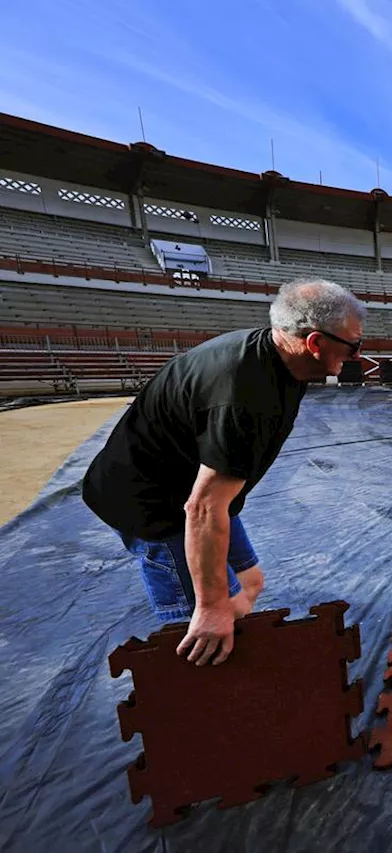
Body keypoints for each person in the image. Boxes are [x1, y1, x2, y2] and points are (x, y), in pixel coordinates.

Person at [82, 278, 366, 667]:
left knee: (249, 584)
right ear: (315, 343)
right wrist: (211, 606)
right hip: (155, 505)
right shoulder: (245, 398)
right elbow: (201, 507)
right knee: (204, 625)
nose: (356, 356)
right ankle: (200, 696)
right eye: (354, 345)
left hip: (193, 491)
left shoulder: (283, 361)